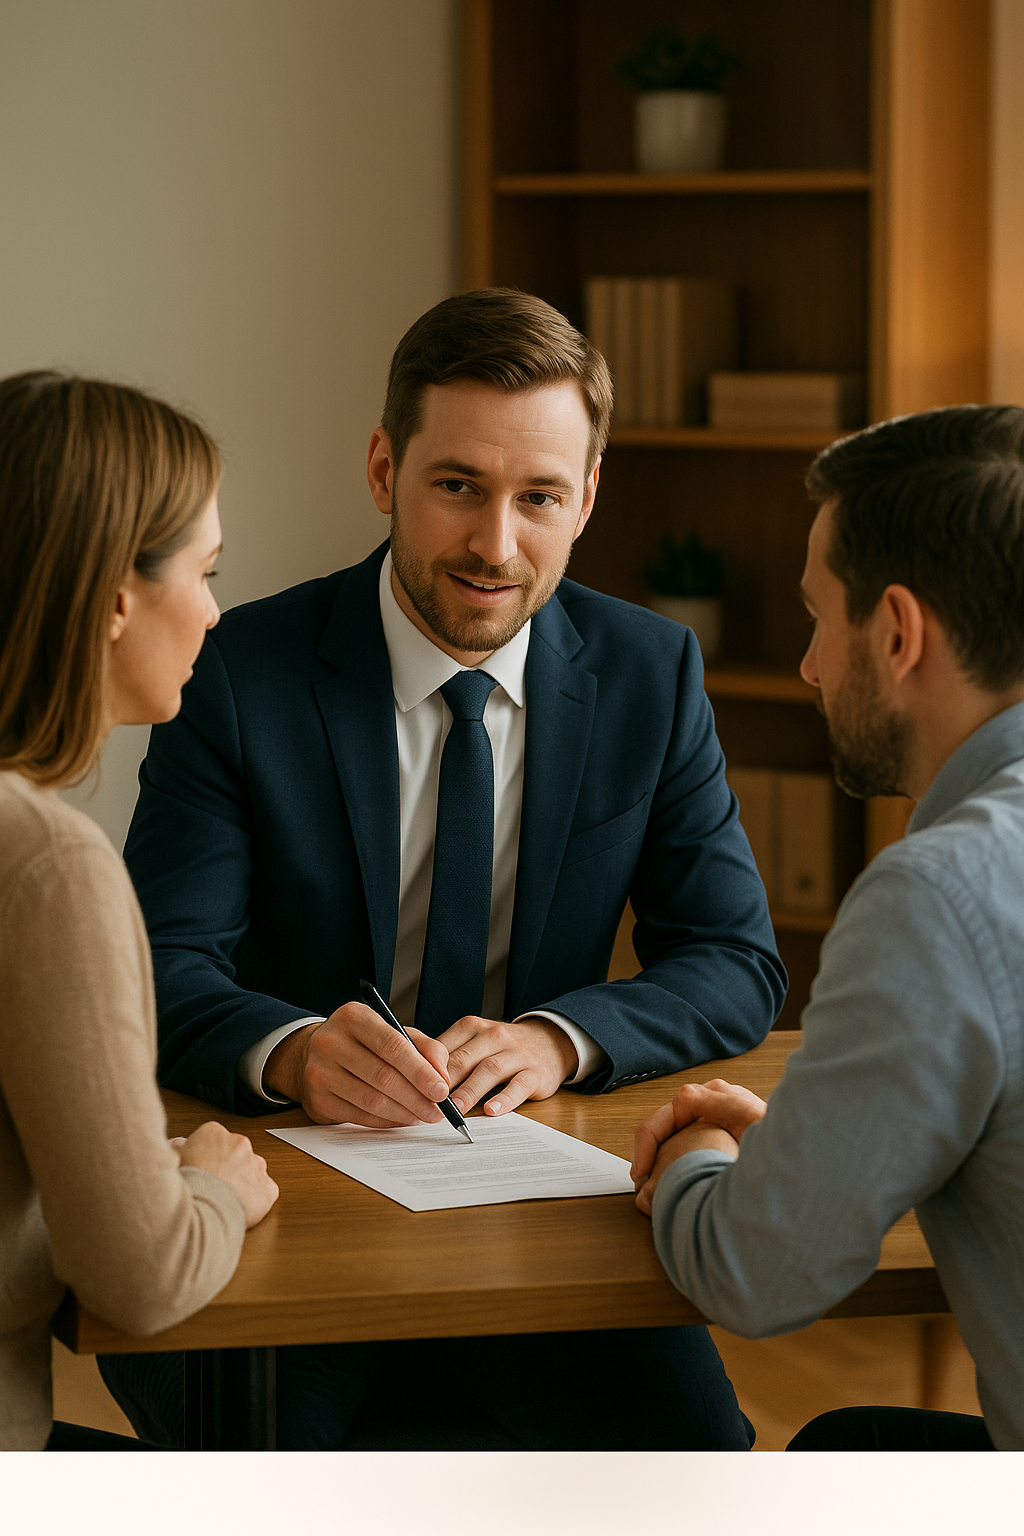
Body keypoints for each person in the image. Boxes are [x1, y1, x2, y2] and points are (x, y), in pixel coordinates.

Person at [103, 287, 786, 1451]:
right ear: (383, 469)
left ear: (589, 497)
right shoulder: (239, 670)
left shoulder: (649, 671)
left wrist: (553, 1038)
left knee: (703, 1475)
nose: (495, 544)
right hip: (286, 1223)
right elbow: (161, 963)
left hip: (540, 1216)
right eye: (457, 486)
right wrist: (295, 1050)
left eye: (540, 499)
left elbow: (731, 958)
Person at [631, 403, 1024, 1451]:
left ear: (896, 633)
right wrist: (818, 1157)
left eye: (818, 617)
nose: (806, 665)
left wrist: (701, 1159)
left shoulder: (941, 893)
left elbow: (756, 1275)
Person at [0, 372, 279, 1452]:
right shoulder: (46, 866)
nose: (214, 609)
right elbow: (146, 1274)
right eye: (204, 573)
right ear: (116, 599)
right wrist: (207, 1190)